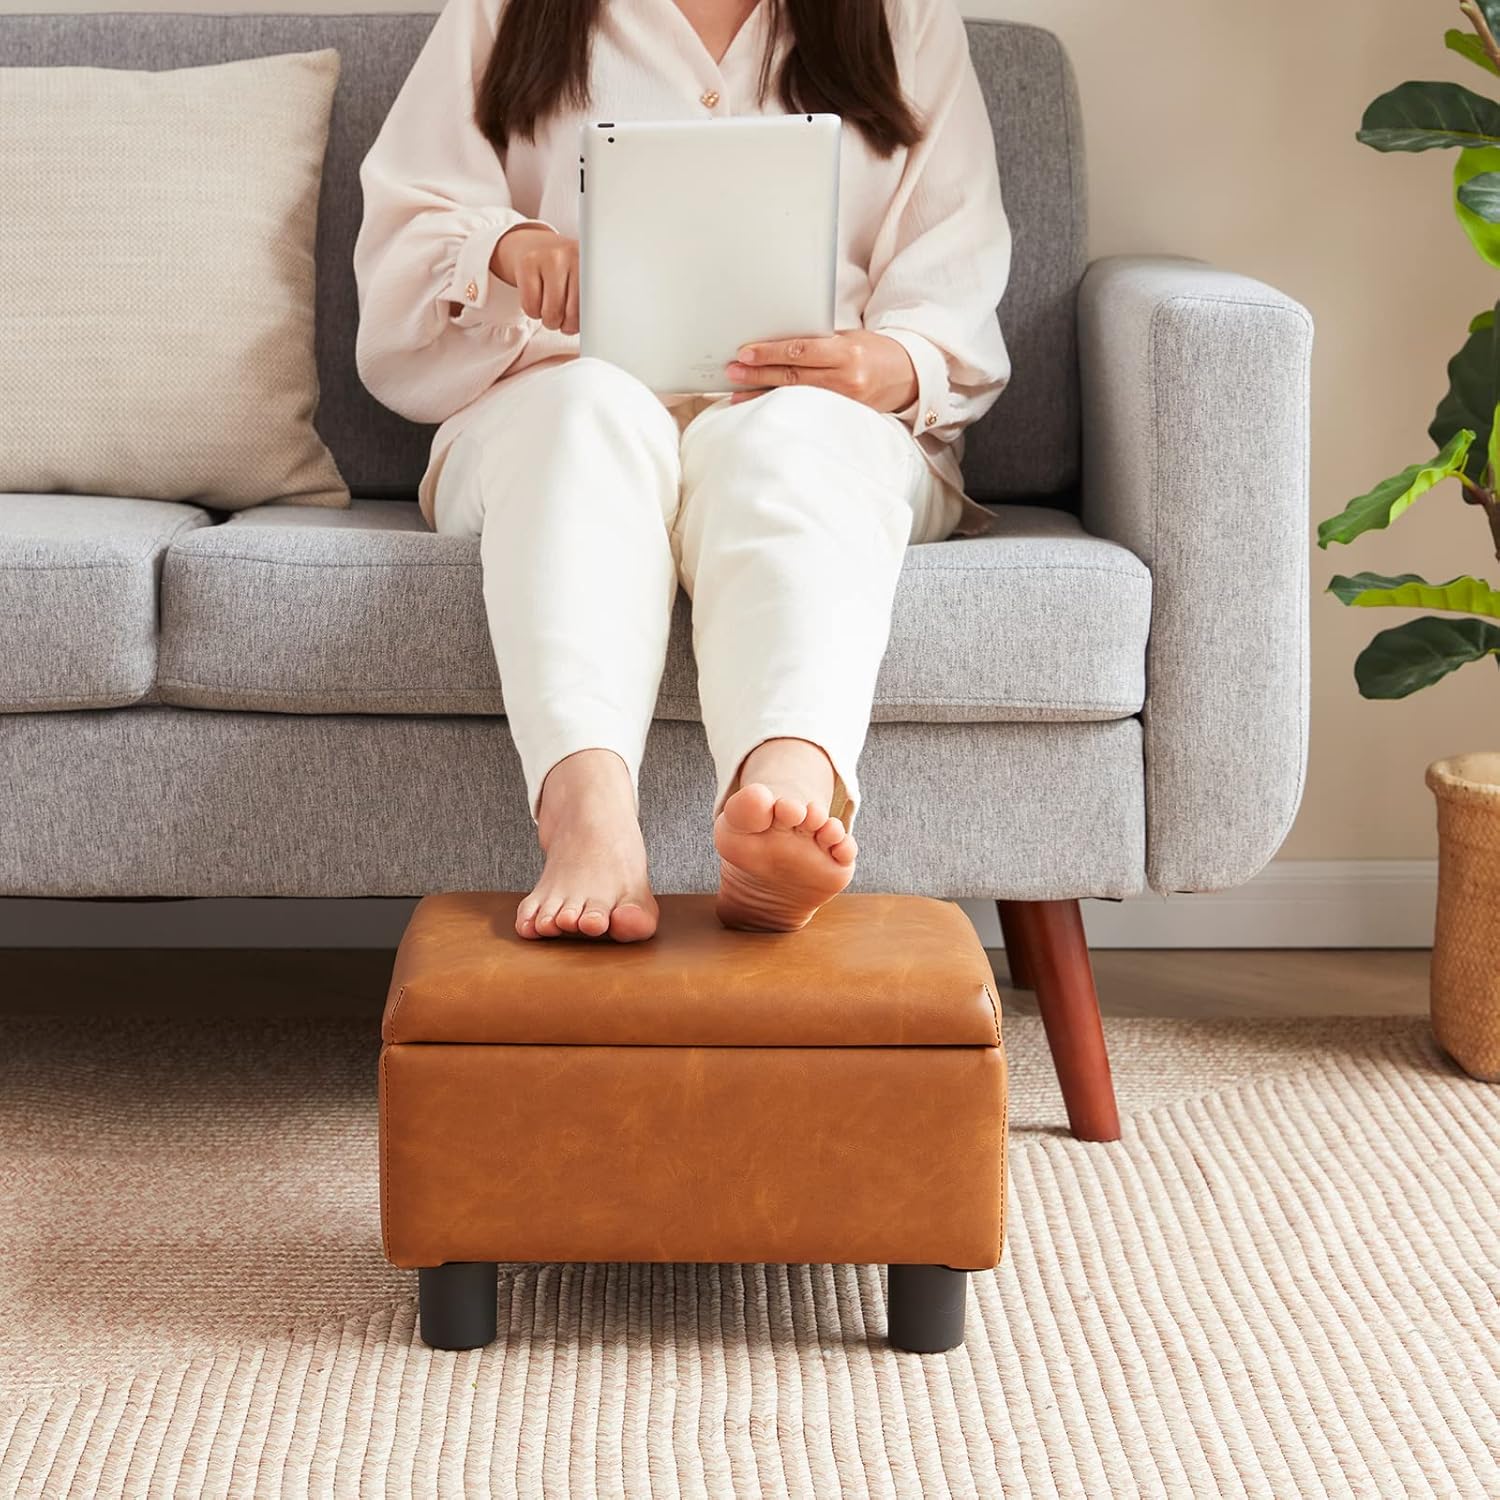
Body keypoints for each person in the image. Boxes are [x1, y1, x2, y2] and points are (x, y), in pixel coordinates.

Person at [353, 0, 1011, 942]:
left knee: (788, 442)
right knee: (588, 413)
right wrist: (505, 248)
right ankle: (587, 816)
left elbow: (954, 268)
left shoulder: (902, 18)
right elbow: (407, 236)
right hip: (556, 399)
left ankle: (786, 784)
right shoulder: (504, 12)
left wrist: (888, 362)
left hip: (825, 417)